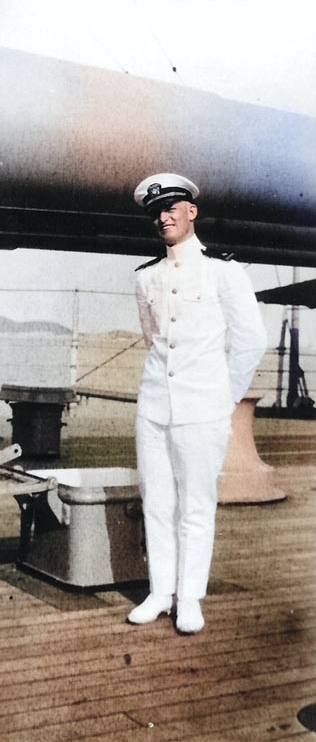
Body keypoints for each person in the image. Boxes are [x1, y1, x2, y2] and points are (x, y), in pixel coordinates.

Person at [127, 173, 267, 633]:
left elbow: (251, 341)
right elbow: (153, 340)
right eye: (156, 212)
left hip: (202, 408)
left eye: (171, 208)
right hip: (153, 407)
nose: (163, 217)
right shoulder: (146, 276)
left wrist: (221, 398)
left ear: (192, 212)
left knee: (196, 505)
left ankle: (189, 598)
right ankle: (159, 592)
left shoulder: (223, 271)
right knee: (156, 502)